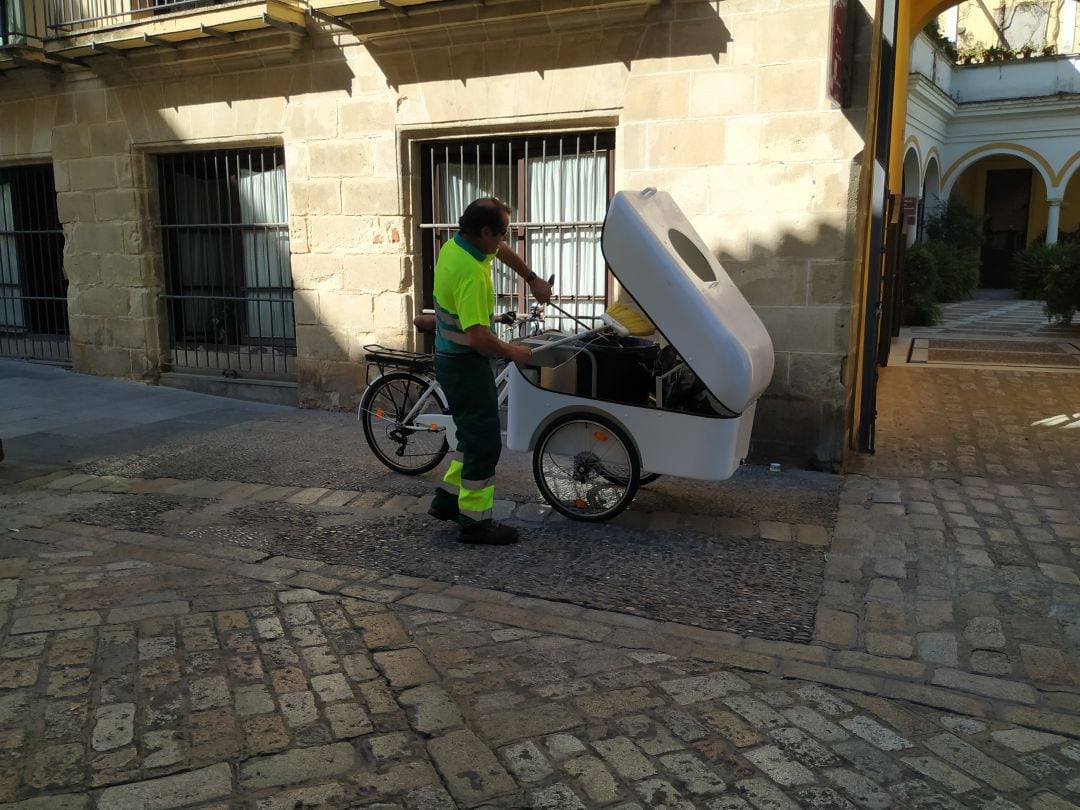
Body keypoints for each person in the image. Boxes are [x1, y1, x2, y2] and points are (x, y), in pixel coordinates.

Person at [427, 197, 552, 545]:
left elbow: (503, 253)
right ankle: (475, 523)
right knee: (484, 443)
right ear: (484, 232)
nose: (503, 241)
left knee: (470, 437)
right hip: (465, 364)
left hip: (451, 359)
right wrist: (515, 352)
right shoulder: (470, 274)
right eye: (501, 234)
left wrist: (532, 278)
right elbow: (479, 337)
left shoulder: (458, 246)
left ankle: (448, 501)